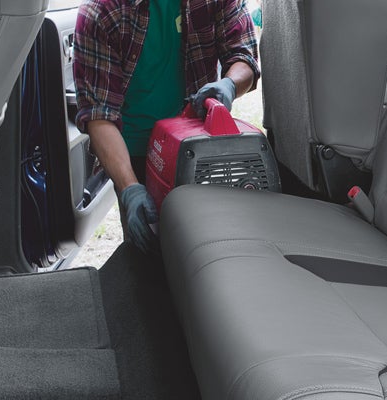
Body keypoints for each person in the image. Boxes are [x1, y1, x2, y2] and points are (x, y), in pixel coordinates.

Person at [73, 0, 260, 254]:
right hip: (134, 155)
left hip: (200, 147)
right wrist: (130, 188)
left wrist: (230, 84)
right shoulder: (101, 11)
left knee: (209, 248)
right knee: (148, 253)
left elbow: (244, 55)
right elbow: (99, 115)